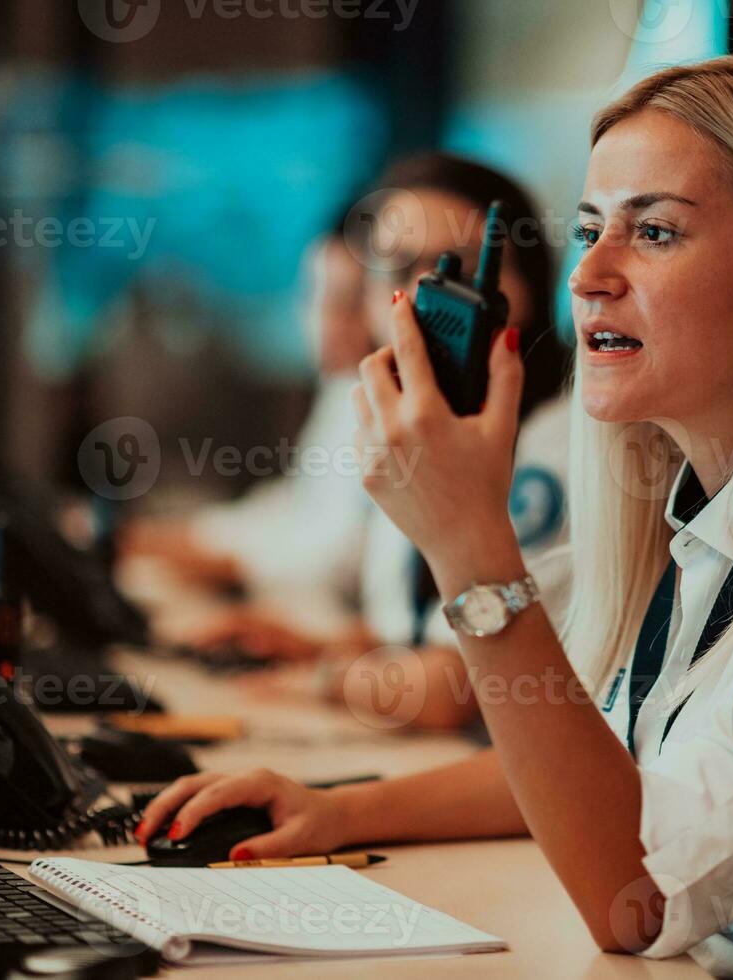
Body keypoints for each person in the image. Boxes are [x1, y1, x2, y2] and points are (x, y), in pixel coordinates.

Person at [136, 57, 733, 977]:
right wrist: (339, 812)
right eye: (589, 227)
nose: (590, 274)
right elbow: (613, 773)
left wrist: (470, 549)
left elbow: (633, 896)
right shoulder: (711, 503)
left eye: (653, 231)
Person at [191, 153, 575, 734]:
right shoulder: (408, 429)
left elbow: (459, 685)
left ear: (528, 290)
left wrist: (325, 681)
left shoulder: (557, 449)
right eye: (396, 271)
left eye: (461, 271)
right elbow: (413, 627)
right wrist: (322, 647)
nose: (426, 296)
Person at [119, 227, 375, 639]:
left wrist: (197, 554)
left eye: (349, 303)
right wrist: (183, 536)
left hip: (332, 635)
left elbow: (333, 558)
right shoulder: (343, 389)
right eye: (315, 297)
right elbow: (294, 506)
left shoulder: (386, 404)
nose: (324, 321)